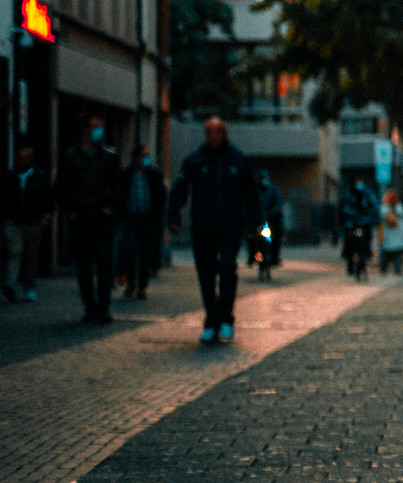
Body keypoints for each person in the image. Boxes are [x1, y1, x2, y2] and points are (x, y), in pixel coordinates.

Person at [167, 116, 258, 344]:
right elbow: (180, 188)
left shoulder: (237, 159)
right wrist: (174, 215)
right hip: (203, 226)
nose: (213, 136)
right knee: (206, 275)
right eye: (209, 132)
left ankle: (225, 318)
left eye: (218, 132)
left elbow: (250, 193)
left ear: (224, 134)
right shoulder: (195, 160)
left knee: (227, 270)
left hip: (230, 225)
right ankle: (212, 320)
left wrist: (253, 224)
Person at [57, 116, 122, 324]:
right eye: (95, 128)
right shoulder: (71, 157)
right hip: (81, 215)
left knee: (104, 264)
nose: (99, 132)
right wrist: (70, 211)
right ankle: (90, 307)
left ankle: (103, 307)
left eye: (101, 128)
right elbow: (61, 186)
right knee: (83, 265)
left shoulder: (109, 157)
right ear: (85, 130)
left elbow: (118, 186)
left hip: (101, 216)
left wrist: (110, 207)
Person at [2, 146, 52, 302]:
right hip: (14, 221)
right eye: (20, 157)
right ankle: (11, 283)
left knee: (31, 256)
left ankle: (29, 287)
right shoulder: (10, 177)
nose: (23, 160)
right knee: (14, 252)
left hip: (33, 221)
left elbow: (47, 197)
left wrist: (46, 215)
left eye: (26, 157)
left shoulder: (39, 177)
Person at [116, 144, 167, 300]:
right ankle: (131, 282)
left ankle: (142, 286)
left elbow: (161, 195)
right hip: (130, 218)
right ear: (136, 157)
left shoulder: (153, 174)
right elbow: (119, 194)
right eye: (144, 155)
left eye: (148, 155)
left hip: (148, 219)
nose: (147, 158)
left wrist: (158, 217)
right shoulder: (126, 174)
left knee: (146, 253)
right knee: (130, 250)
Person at [341, 180, 378, 280]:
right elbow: (345, 209)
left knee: (362, 240)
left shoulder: (367, 193)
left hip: (361, 226)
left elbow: (375, 205)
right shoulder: (349, 195)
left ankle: (363, 255)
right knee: (352, 242)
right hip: (353, 225)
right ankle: (353, 258)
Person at [255, 170, 285, 267]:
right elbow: (251, 202)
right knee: (253, 235)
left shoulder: (273, 189)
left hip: (272, 218)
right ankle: (255, 257)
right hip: (259, 217)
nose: (261, 180)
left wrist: (276, 210)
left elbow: (279, 202)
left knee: (277, 234)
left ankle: (275, 257)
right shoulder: (256, 189)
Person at [378, 188, 403, 274]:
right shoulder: (384, 208)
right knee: (386, 254)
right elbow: (383, 215)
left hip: (397, 235)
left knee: (397, 254)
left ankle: (397, 269)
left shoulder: (399, 207)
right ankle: (383, 269)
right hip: (387, 236)